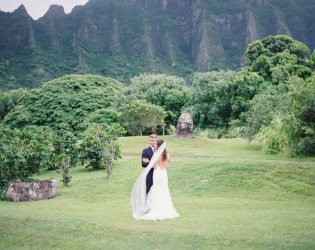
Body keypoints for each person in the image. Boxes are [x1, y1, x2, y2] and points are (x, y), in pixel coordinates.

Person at [131, 139, 180, 221]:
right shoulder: (167, 154)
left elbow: (154, 166)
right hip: (163, 174)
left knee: (156, 189)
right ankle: (165, 210)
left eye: (156, 144)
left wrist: (148, 161)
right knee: (164, 190)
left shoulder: (156, 154)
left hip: (157, 173)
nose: (155, 145)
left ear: (159, 145)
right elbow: (167, 166)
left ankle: (155, 210)